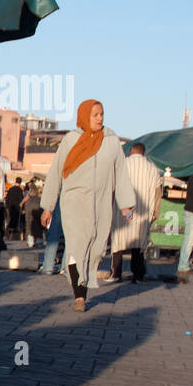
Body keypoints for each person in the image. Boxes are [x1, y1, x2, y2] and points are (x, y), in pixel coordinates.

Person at [40, 99, 133, 312]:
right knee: (75, 247)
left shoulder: (110, 140)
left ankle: (84, 285)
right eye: (95, 114)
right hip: (73, 202)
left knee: (97, 248)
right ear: (84, 116)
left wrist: (126, 204)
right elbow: (55, 173)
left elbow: (121, 173)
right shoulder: (71, 140)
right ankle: (79, 296)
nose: (100, 118)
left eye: (102, 114)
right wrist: (48, 206)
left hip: (101, 203)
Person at [106, 142, 162, 283]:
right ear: (143, 152)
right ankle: (138, 275)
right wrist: (155, 213)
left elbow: (110, 187)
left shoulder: (122, 165)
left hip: (121, 211)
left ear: (131, 150)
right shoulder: (152, 168)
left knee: (118, 242)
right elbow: (157, 193)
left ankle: (116, 274)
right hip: (143, 214)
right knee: (139, 244)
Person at [6, 177, 24, 241]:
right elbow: (21, 199)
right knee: (15, 221)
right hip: (17, 208)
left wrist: (7, 207)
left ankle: (8, 234)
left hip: (11, 207)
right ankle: (13, 235)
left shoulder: (10, 189)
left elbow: (7, 199)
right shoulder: (20, 190)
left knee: (11, 219)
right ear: (20, 182)